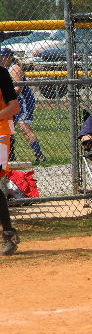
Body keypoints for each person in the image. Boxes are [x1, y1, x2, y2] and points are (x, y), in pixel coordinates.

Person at [0, 48, 45, 164]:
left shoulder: (14, 68)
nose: (1, 59)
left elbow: (18, 88)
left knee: (24, 126)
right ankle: (10, 156)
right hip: (13, 103)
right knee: (8, 127)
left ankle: (39, 154)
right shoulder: (4, 69)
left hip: (23, 101)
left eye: (3, 57)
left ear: (9, 57)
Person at [0, 61, 21, 255]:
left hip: (1, 134)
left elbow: (14, 107)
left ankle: (8, 234)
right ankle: (9, 233)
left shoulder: (1, 73)